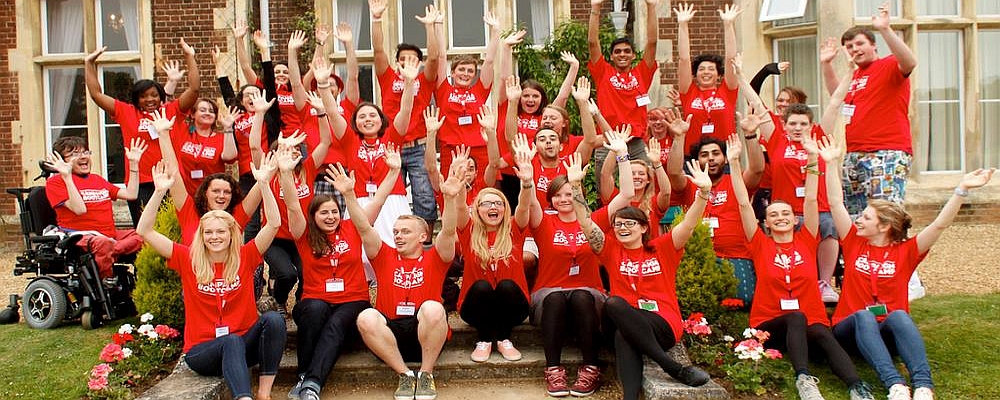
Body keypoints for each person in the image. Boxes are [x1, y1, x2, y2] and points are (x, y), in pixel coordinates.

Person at [822, 137, 996, 400]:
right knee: (863, 316)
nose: (859, 219)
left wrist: (961, 189)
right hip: (852, 329)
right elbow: (836, 203)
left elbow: (938, 226)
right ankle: (895, 385)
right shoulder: (853, 241)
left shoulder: (906, 251)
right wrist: (831, 163)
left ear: (884, 227)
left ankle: (923, 386)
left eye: (866, 217)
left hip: (887, 331)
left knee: (900, 316)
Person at [729, 133, 875, 400]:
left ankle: (857, 386)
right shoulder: (760, 244)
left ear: (794, 221)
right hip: (769, 325)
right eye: (774, 215)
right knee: (796, 316)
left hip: (810, 321)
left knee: (821, 330)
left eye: (785, 213)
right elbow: (742, 205)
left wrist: (811, 157)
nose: (781, 217)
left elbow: (810, 200)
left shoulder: (807, 239)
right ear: (767, 223)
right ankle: (804, 380)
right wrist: (735, 163)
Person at [568, 148, 713, 400]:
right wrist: (576, 188)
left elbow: (689, 223)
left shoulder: (663, 248)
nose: (622, 228)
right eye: (618, 224)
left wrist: (703, 193)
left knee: (625, 336)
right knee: (613, 303)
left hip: (661, 323)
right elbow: (586, 224)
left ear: (644, 227)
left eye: (629, 223)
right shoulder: (611, 249)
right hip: (621, 314)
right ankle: (673, 368)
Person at [137, 156, 285, 400]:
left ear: (231, 234)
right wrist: (159, 191)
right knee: (231, 342)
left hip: (243, 345)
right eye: (209, 232)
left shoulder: (246, 255)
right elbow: (144, 231)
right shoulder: (187, 258)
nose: (215, 237)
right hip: (202, 351)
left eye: (221, 232)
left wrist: (265, 185)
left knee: (274, 321)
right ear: (201, 236)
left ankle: (264, 394)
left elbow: (274, 224)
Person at [820, 2, 922, 301]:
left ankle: (908, 277)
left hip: (887, 152)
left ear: (873, 45)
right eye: (849, 46)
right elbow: (837, 97)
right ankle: (867, 276)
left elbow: (910, 61)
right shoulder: (856, 76)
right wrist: (828, 64)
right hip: (855, 154)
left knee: (886, 213)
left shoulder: (889, 65)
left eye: (859, 44)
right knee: (858, 219)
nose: (854, 49)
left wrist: (886, 29)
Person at [280, 149, 399, 400]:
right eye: (323, 212)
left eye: (334, 211)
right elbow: (292, 205)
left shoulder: (352, 227)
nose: (330, 216)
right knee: (314, 311)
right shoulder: (304, 235)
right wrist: (285, 173)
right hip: (315, 300)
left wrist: (393, 172)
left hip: (353, 301)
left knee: (335, 323)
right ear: (313, 216)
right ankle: (303, 376)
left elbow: (378, 200)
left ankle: (311, 383)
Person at [351, 159, 463, 400]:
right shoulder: (383, 255)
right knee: (365, 317)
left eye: (405, 231)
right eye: (396, 232)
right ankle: (404, 375)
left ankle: (426, 375)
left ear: (423, 236)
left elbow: (449, 232)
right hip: (390, 335)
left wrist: (451, 199)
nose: (398, 236)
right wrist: (350, 195)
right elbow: (362, 227)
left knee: (434, 308)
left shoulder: (436, 257)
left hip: (425, 333)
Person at [753, 63, 853, 303]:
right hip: (786, 206)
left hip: (817, 205)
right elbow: (755, 102)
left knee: (829, 228)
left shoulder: (819, 136)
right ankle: (792, 283)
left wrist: (850, 70)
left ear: (810, 125)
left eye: (803, 124)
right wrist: (741, 73)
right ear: (785, 125)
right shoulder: (776, 138)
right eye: (793, 124)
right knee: (785, 238)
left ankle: (824, 284)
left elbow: (835, 102)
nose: (798, 128)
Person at [84, 38, 200, 225]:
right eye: (144, 96)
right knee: (145, 230)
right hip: (141, 184)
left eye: (154, 95)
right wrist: (88, 64)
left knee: (176, 229)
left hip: (171, 180)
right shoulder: (126, 112)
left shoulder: (171, 111)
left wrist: (189, 56)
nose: (150, 99)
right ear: (136, 99)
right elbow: (96, 95)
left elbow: (194, 90)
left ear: (161, 96)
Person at [665, 92, 764, 304]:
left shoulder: (736, 180)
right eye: (704, 154)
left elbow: (756, 169)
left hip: (737, 256)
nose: (710, 158)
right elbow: (673, 173)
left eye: (716, 153)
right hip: (698, 256)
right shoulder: (691, 184)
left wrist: (750, 135)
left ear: (725, 157)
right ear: (697, 160)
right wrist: (679, 137)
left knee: (742, 301)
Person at [526, 158, 613, 396]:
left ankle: (591, 368)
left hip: (589, 293)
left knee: (581, 296)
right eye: (558, 195)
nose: (564, 199)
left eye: (569, 194)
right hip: (548, 293)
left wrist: (620, 156)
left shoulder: (593, 220)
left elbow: (625, 196)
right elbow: (530, 203)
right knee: (556, 298)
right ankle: (553, 369)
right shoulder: (544, 222)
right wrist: (527, 177)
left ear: (578, 194)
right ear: (551, 199)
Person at [247, 86, 333, 315]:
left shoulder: (308, 170)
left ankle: (301, 301)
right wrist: (259, 115)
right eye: (286, 150)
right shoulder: (270, 172)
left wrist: (322, 113)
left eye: (296, 150)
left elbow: (325, 142)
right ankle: (279, 300)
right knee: (287, 273)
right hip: (274, 238)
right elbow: (255, 146)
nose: (293, 153)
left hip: (302, 235)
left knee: (307, 273)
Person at [456, 148, 536, 363]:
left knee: (506, 286)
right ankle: (484, 339)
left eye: (498, 203)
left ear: (505, 208)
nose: (493, 207)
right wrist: (460, 181)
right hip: (474, 306)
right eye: (486, 203)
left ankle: (503, 338)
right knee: (482, 286)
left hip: (512, 305)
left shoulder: (513, 229)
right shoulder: (469, 230)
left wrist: (527, 182)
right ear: (477, 210)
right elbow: (460, 208)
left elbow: (524, 206)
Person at [370, 0, 441, 231]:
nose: (407, 62)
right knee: (391, 193)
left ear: (418, 63)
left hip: (418, 146)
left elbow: (434, 59)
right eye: (403, 59)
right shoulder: (387, 77)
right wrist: (377, 19)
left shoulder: (424, 80)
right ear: (397, 61)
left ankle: (425, 238)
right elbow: (378, 51)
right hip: (391, 146)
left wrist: (430, 27)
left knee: (424, 196)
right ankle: (394, 234)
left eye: (412, 59)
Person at [146, 110, 258, 246]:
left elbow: (261, 186)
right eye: (216, 191)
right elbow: (174, 173)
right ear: (205, 193)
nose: (221, 196)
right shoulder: (189, 212)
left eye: (227, 192)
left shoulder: (237, 215)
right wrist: (163, 135)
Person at [44, 136, 146, 280]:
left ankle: (114, 251)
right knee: (103, 244)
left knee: (146, 235)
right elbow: (80, 209)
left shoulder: (97, 180)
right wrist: (67, 177)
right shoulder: (55, 183)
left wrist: (134, 164)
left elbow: (131, 194)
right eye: (74, 154)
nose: (82, 157)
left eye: (85, 152)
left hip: (108, 235)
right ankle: (107, 281)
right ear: (61, 161)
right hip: (79, 237)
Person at [587, 0, 661, 189]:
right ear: (611, 56)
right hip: (608, 141)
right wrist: (595, 9)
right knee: (606, 192)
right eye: (617, 51)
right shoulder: (603, 72)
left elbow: (652, 42)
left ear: (633, 55)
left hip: (636, 143)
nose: (622, 54)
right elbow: (592, 43)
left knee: (646, 190)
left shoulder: (641, 73)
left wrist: (651, 7)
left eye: (627, 51)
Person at [433, 10, 500, 187]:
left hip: (478, 149)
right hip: (451, 149)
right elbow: (440, 57)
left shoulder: (480, 90)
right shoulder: (443, 89)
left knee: (483, 191)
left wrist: (495, 32)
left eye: (470, 71)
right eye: (461, 70)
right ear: (453, 72)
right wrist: (438, 26)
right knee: (450, 189)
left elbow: (490, 61)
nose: (465, 74)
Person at [675, 2, 740, 152]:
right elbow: (684, 60)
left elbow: (731, 58)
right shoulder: (688, 92)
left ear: (718, 75)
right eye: (701, 69)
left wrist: (728, 25)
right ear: (695, 74)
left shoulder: (727, 91)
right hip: (693, 156)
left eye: (711, 69)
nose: (706, 72)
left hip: (725, 156)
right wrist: (683, 25)